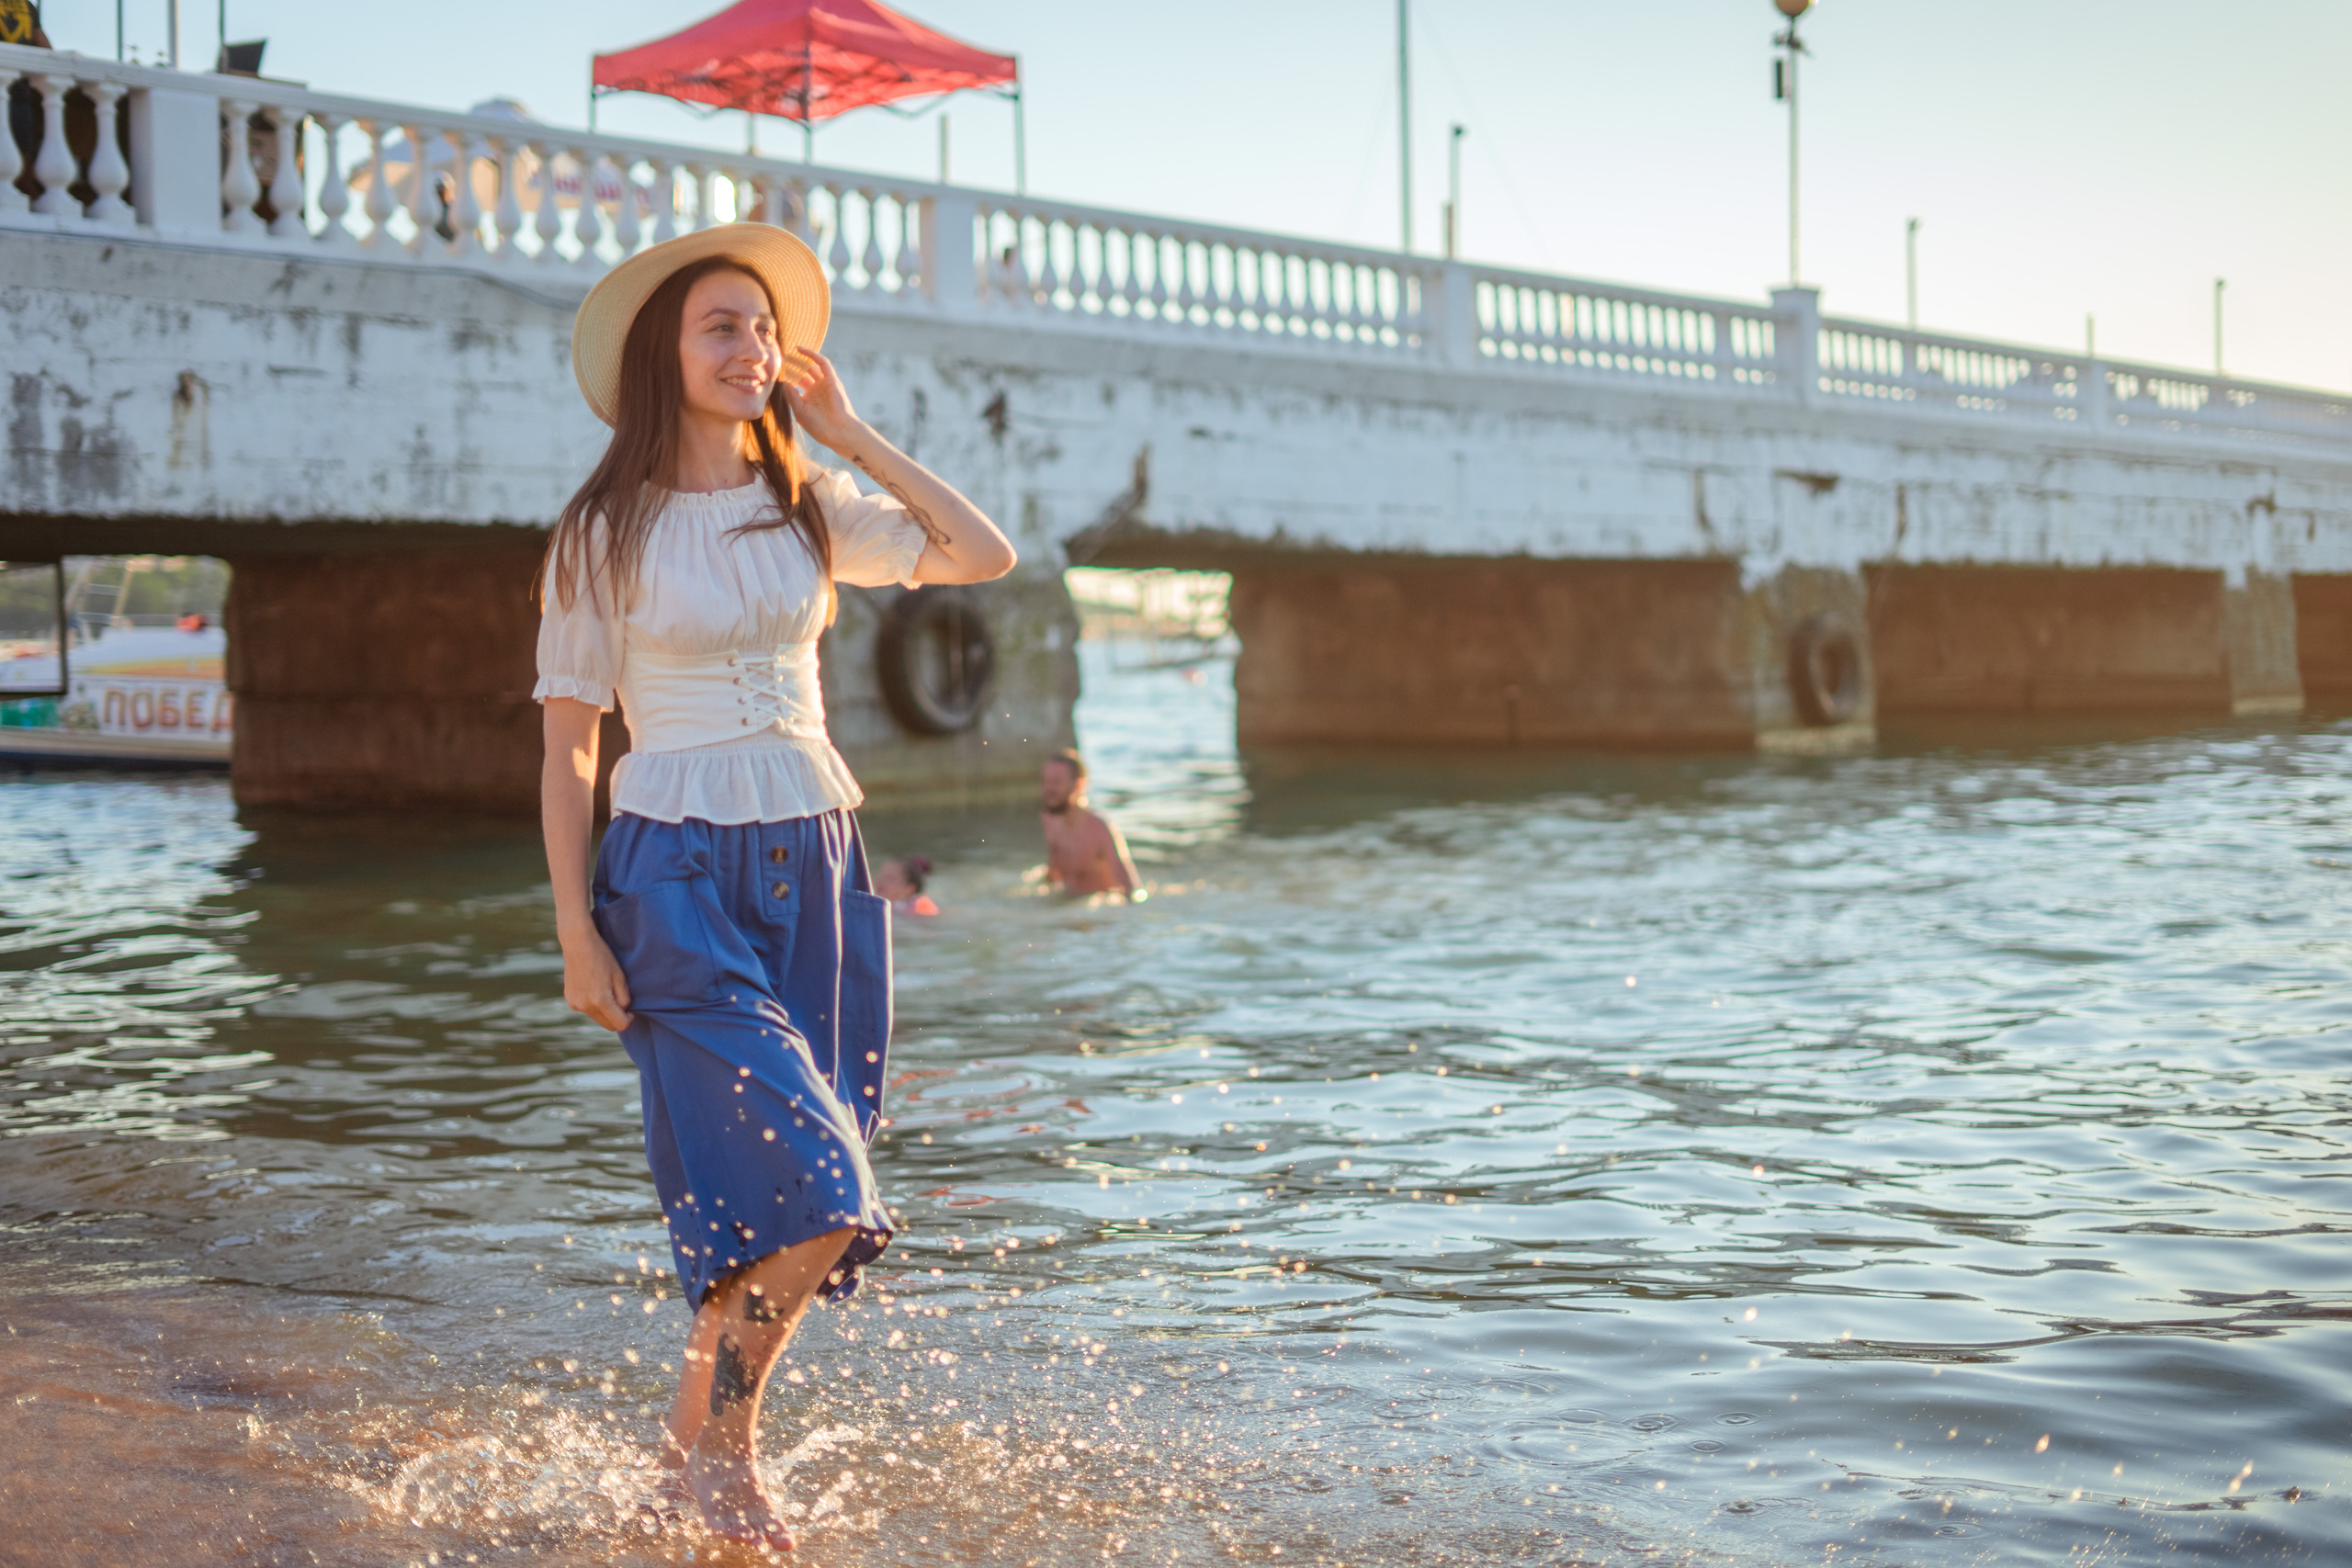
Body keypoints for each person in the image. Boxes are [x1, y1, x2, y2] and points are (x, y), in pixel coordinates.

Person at [535, 224, 1015, 1548]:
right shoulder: (599, 531)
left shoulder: (805, 502)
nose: (749, 350)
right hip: (670, 865)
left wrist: (849, 432)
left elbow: (982, 554)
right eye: (719, 328)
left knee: (788, 1199)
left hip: (819, 855)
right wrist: (575, 923)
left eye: (760, 327)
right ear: (662, 356)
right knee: (821, 1185)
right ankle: (724, 1456)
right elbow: (570, 744)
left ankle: (685, 1458)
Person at [1038, 749, 1141, 898]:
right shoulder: (1051, 823)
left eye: (1056, 782)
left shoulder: (1100, 829)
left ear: (1078, 785)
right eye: (1046, 781)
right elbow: (1052, 879)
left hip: (1099, 914)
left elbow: (1131, 890)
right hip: (1067, 909)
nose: (1048, 789)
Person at [874, 854, 939, 917]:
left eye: (890, 878)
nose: (881, 881)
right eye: (882, 875)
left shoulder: (916, 911)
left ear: (909, 889)